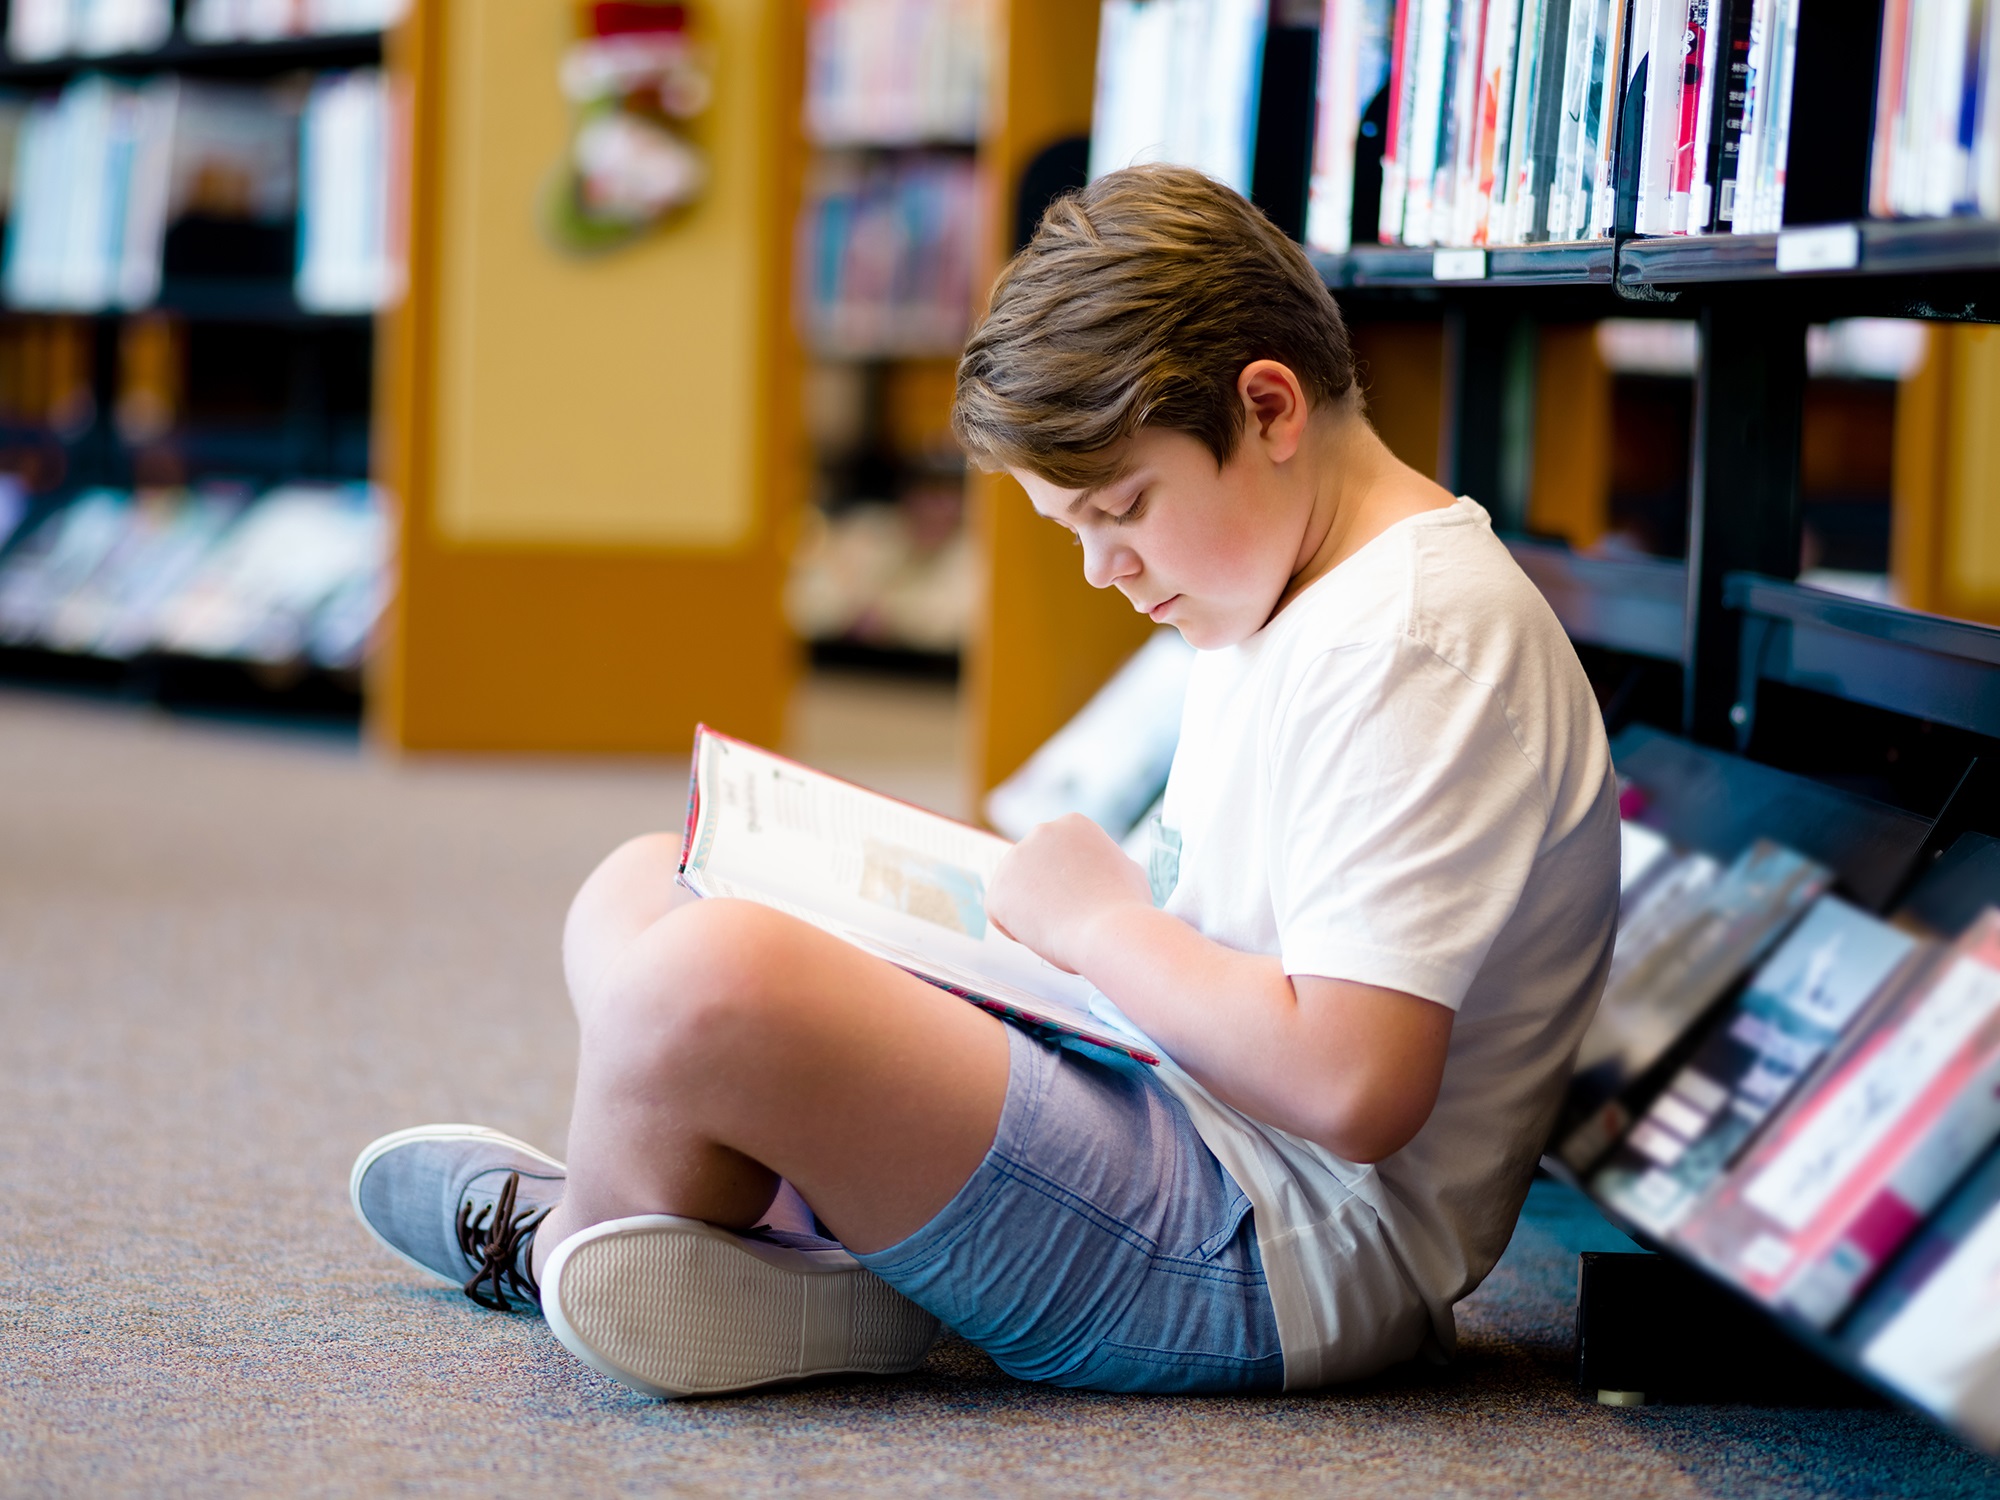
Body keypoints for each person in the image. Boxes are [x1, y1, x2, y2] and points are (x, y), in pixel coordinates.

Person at [350, 163, 1620, 1399]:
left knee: (693, 987)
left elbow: (1352, 1085)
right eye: (1075, 531)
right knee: (643, 889)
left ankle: (583, 1238)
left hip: (1258, 1248)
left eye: (1121, 509)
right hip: (1165, 1107)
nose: (1103, 571)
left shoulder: (1414, 641)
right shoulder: (1283, 587)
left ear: (1270, 409)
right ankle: (818, 1249)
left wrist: (1103, 926)